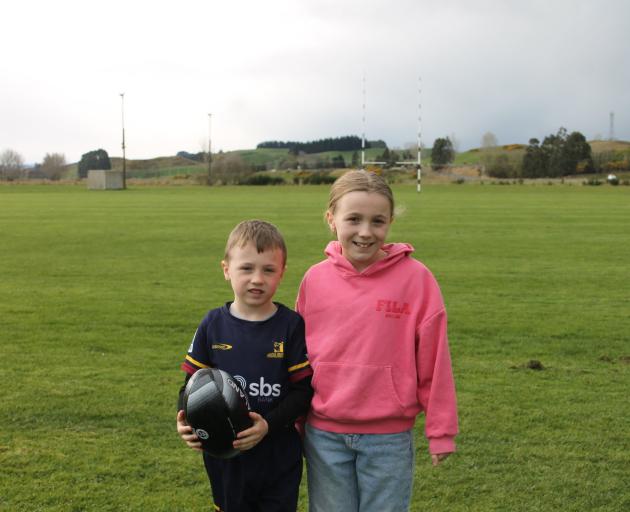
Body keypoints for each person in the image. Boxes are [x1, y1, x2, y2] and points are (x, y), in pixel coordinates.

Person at [296, 170, 458, 512]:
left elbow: (435, 359)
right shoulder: (314, 279)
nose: (366, 232)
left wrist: (440, 430)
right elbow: (297, 360)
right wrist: (293, 421)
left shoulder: (417, 280)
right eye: (353, 219)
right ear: (331, 219)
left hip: (388, 438)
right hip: (324, 434)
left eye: (378, 221)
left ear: (390, 222)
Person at [176, 220, 313, 512]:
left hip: (278, 455)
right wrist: (186, 419)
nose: (257, 279)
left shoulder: (291, 326)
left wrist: (268, 425)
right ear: (226, 269)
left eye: (268, 270)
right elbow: (190, 386)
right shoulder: (212, 324)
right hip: (227, 455)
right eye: (247, 268)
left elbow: (303, 392)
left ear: (282, 274)